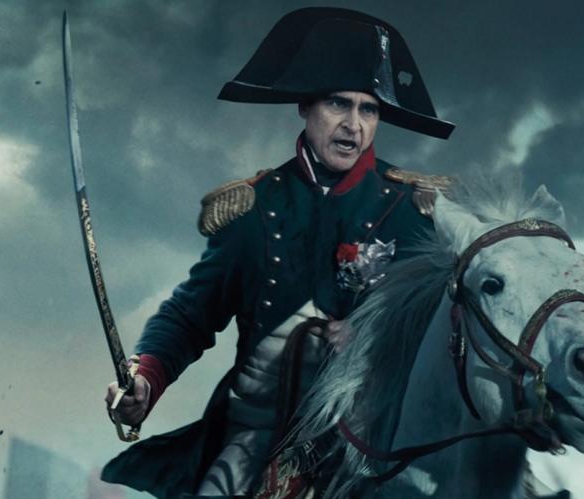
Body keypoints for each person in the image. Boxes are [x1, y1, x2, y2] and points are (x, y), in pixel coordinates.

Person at [101, 7, 455, 498]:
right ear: (305, 106)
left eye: (368, 109)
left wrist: (374, 338)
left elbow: (450, 325)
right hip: (261, 433)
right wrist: (146, 377)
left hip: (378, 438)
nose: (354, 125)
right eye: (338, 103)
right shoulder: (252, 209)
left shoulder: (413, 212)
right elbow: (191, 315)